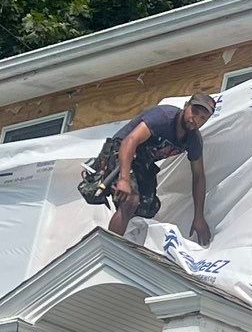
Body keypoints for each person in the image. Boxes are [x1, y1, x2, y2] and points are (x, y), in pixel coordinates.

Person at [79, 93, 217, 243]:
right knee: (130, 200)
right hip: (121, 150)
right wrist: (124, 179)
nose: (195, 119)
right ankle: (109, 247)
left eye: (202, 118)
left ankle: (127, 246)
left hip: (143, 163)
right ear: (186, 106)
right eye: (194, 112)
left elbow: (198, 177)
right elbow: (130, 141)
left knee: (147, 209)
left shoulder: (193, 140)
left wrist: (199, 217)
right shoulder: (163, 117)